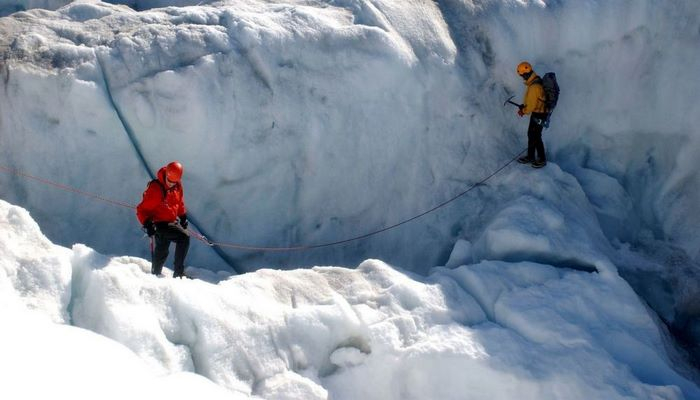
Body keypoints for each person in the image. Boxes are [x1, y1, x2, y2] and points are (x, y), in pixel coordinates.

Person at [136, 161, 190, 278]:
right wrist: (147, 224)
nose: (171, 184)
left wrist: (182, 216)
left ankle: (155, 274)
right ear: (166, 175)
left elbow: (179, 202)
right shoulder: (156, 189)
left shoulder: (177, 185)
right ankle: (179, 273)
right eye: (169, 181)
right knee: (184, 238)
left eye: (174, 182)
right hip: (159, 224)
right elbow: (141, 210)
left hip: (171, 221)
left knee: (162, 250)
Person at [515, 61, 547, 168]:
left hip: (539, 114)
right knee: (531, 134)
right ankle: (531, 156)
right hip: (538, 113)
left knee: (536, 136)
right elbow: (533, 101)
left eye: (522, 75)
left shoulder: (534, 86)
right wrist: (524, 106)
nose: (522, 78)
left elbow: (532, 105)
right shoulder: (534, 81)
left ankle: (542, 159)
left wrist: (523, 111)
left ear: (526, 73)